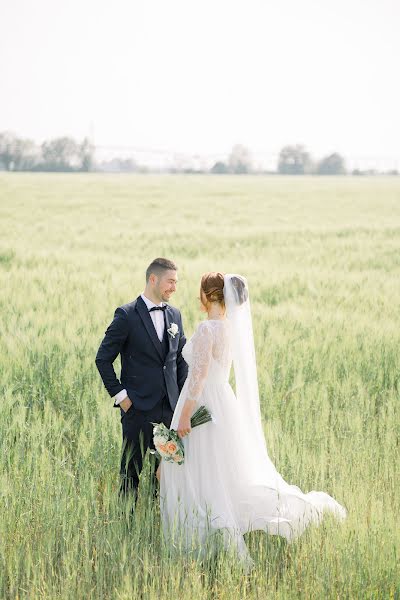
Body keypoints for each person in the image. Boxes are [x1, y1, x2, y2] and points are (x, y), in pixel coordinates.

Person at [159, 272, 347, 572]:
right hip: (223, 402)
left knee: (198, 466)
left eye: (200, 293)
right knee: (217, 467)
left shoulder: (207, 329)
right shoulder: (229, 328)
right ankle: (216, 516)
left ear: (208, 296)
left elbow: (198, 378)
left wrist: (182, 417)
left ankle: (205, 525)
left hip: (203, 402)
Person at [95, 257, 188, 502]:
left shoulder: (175, 315)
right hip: (137, 409)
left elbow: (180, 360)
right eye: (170, 281)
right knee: (130, 474)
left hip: (169, 410)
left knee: (165, 474)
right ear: (153, 279)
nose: (174, 288)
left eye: (176, 282)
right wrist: (122, 397)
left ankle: (158, 521)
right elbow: (103, 359)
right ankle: (127, 524)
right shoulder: (126, 315)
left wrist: (180, 400)